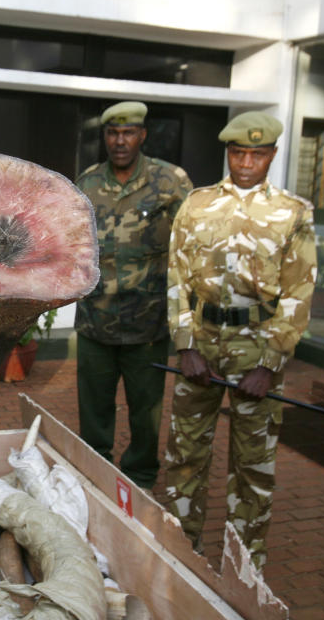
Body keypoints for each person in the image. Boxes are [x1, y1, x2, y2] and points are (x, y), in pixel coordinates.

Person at [164, 111, 316, 571]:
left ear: (272, 155)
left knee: (253, 467)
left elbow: (299, 291)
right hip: (202, 344)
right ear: (227, 153)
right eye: (237, 152)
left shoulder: (293, 211)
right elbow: (176, 278)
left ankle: (244, 570)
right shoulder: (196, 203)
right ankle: (179, 558)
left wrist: (269, 364)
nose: (246, 162)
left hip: (258, 345)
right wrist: (185, 344)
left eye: (257, 153)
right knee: (185, 457)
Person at [74, 101, 193, 489]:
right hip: (96, 322)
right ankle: (95, 472)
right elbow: (71, 243)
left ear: (142, 135)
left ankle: (140, 476)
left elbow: (190, 247)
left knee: (146, 412)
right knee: (94, 410)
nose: (119, 141)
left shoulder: (171, 181)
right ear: (105, 137)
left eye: (128, 133)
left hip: (148, 323)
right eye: (112, 133)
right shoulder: (87, 183)